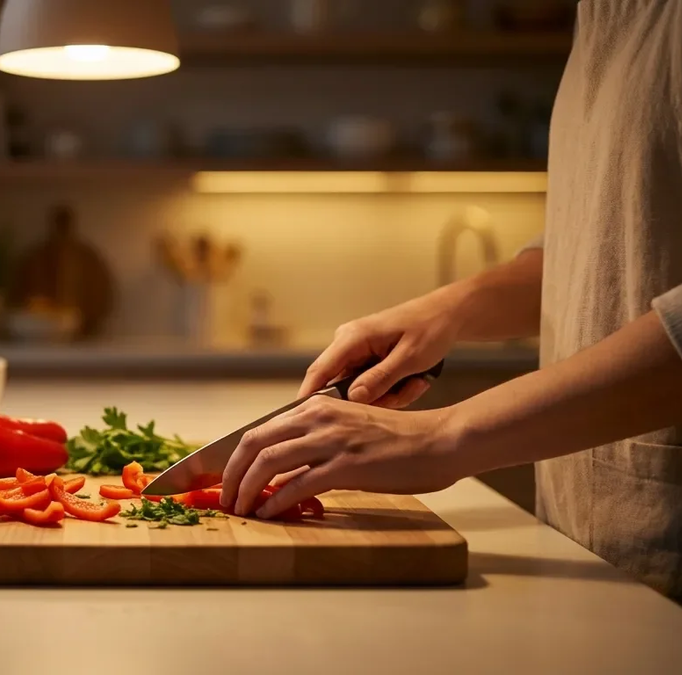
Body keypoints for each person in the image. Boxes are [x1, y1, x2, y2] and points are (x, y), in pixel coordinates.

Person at [219, 0, 682, 601]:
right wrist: (453, 307)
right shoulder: (604, 16)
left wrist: (442, 437)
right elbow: (609, 246)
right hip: (592, 551)